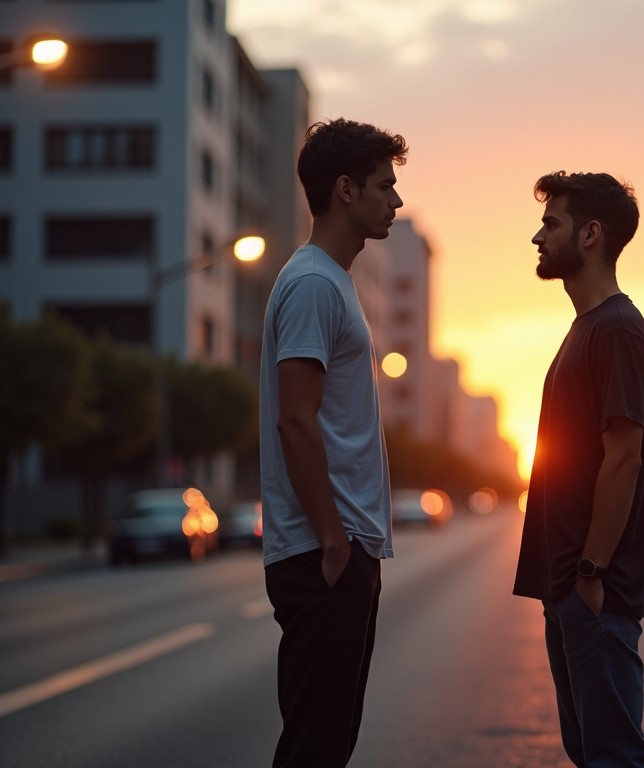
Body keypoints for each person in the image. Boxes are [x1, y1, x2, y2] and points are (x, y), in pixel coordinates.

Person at [259, 117, 408, 767]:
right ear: (345, 191)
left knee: (327, 741)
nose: (396, 202)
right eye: (386, 186)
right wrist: (331, 540)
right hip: (325, 550)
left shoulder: (330, 282)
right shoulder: (315, 283)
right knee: (316, 746)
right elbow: (296, 419)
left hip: (339, 546)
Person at [513, 171, 644, 767]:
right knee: (589, 751)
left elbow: (624, 459)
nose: (537, 237)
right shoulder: (586, 329)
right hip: (571, 585)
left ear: (591, 234)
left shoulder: (618, 329)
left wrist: (591, 573)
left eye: (552, 223)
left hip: (594, 588)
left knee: (614, 757)